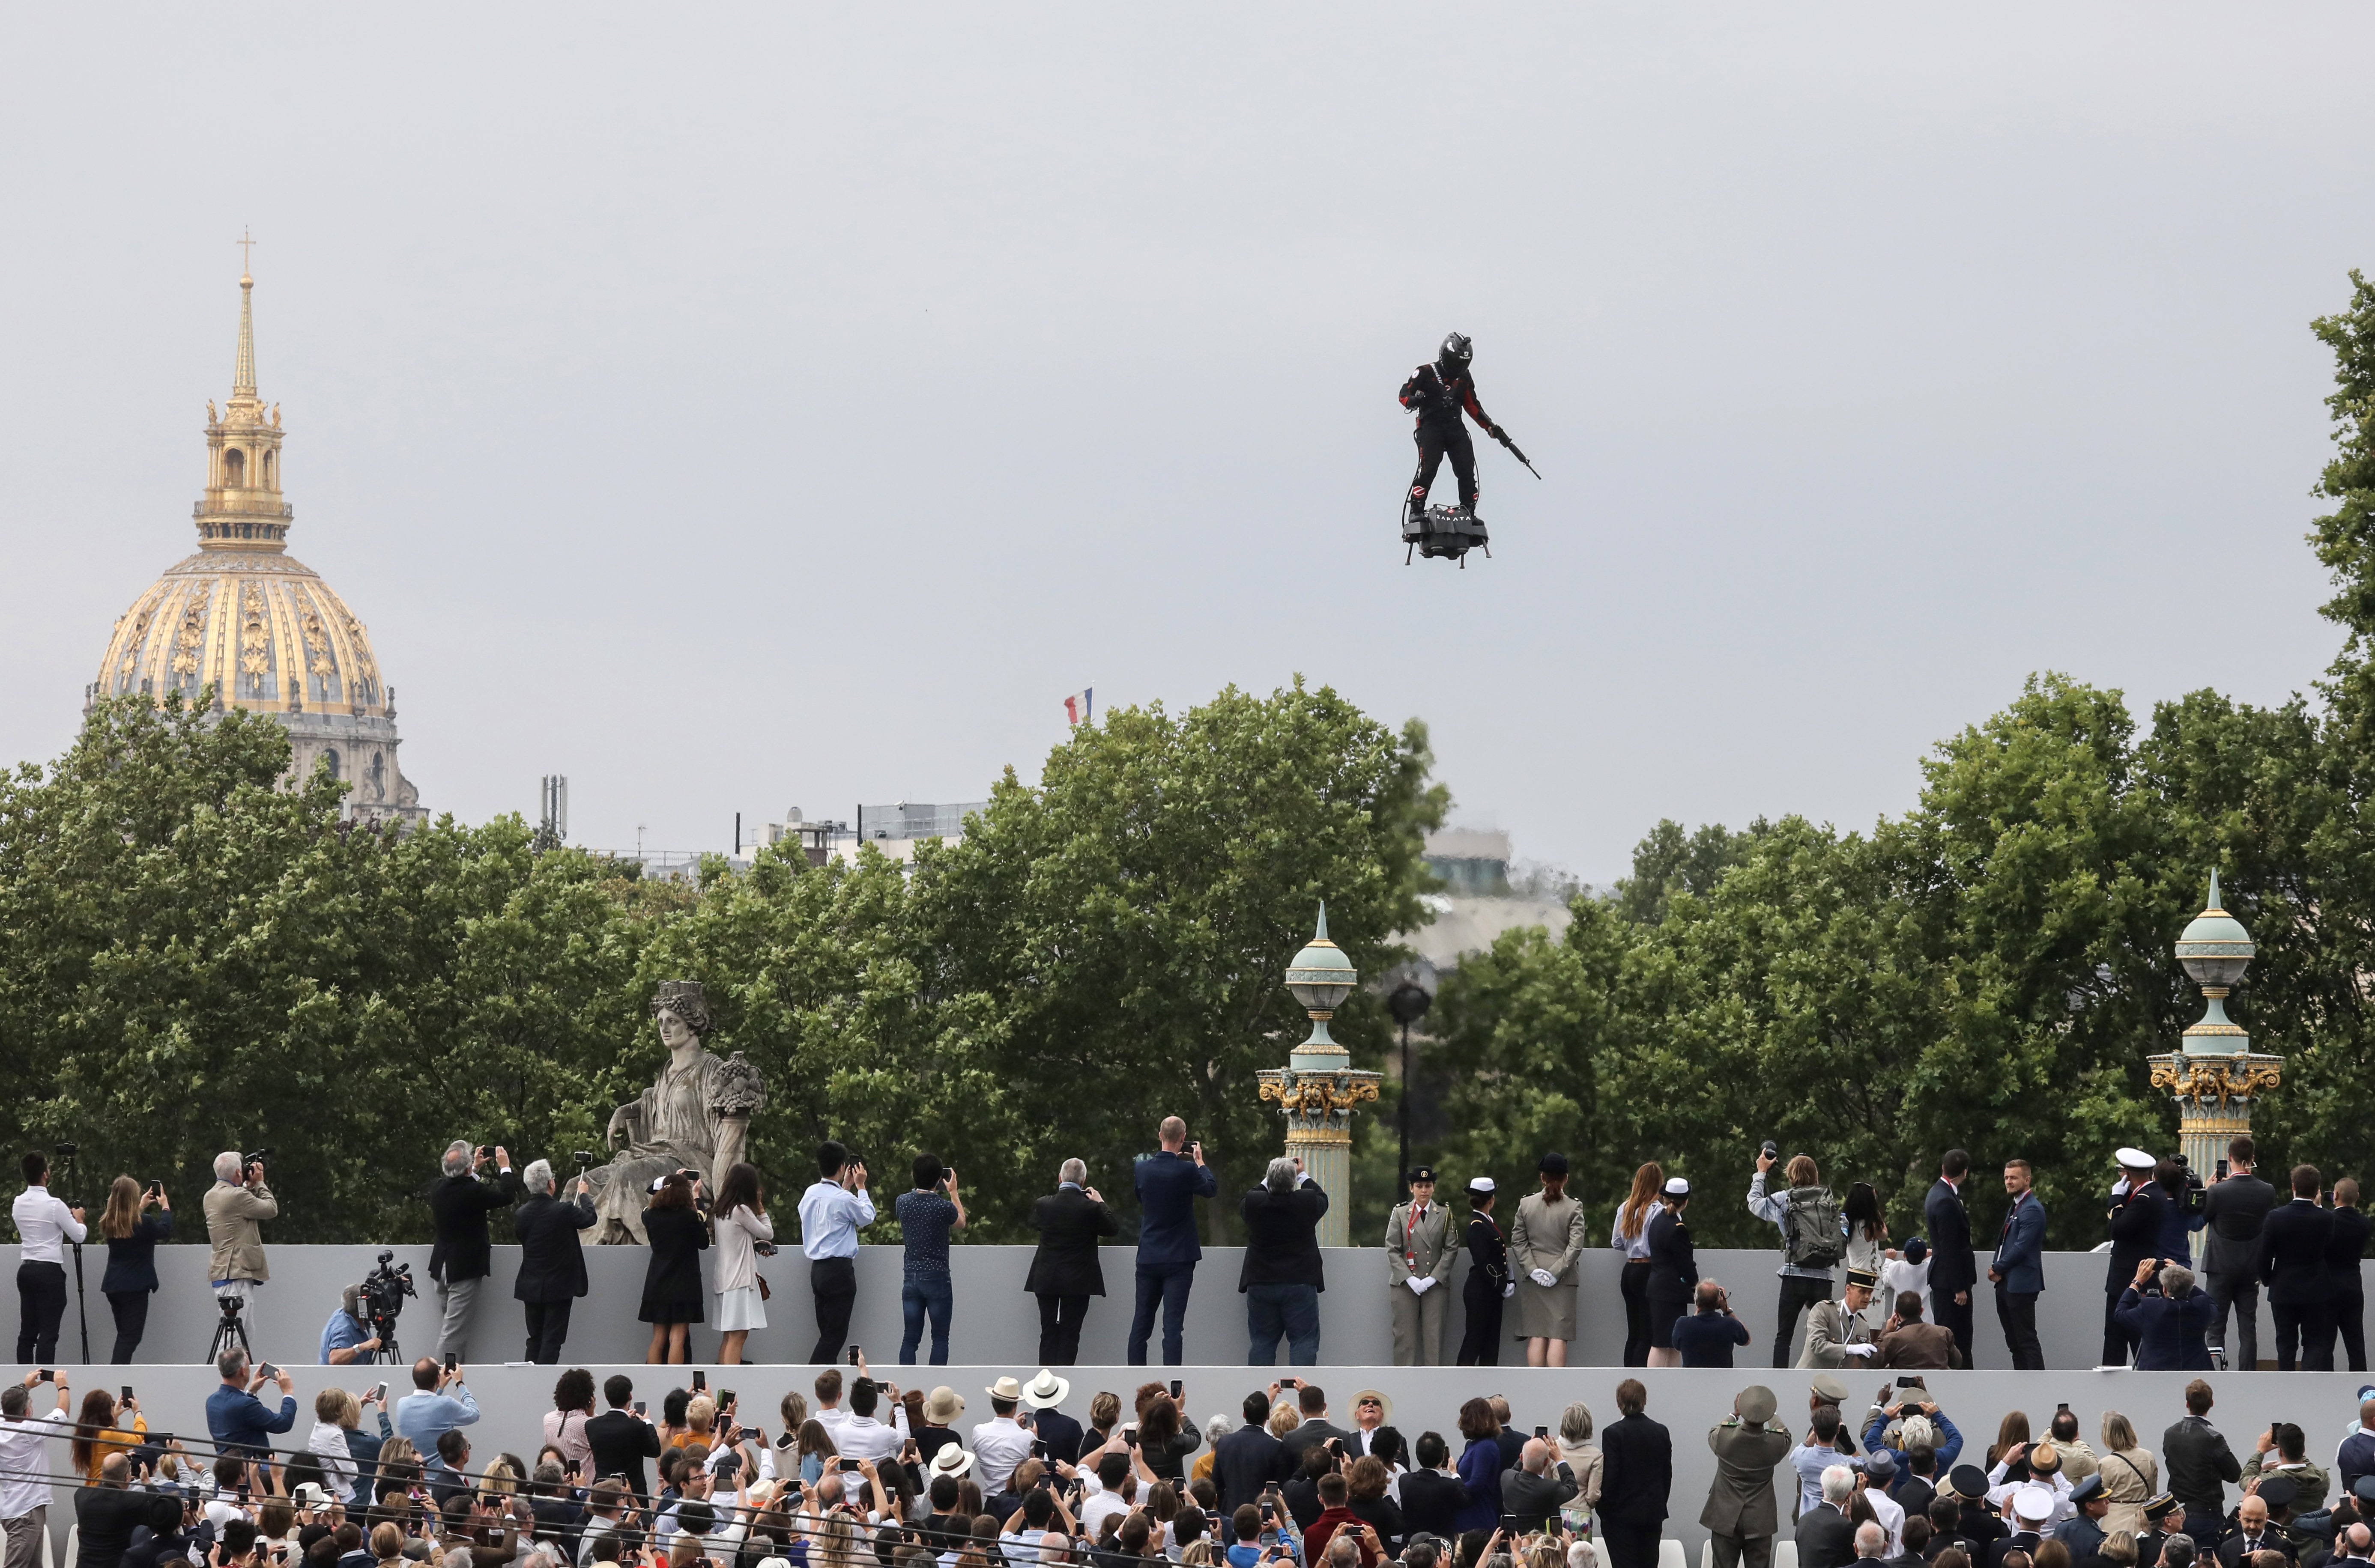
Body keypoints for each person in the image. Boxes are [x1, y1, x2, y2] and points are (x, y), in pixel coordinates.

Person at [1132, 1118, 1218, 1367]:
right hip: (1179, 1257)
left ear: (1160, 1135)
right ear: (1184, 1138)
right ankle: (1173, 1385)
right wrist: (1200, 1162)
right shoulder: (1188, 1170)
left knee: (1141, 1322)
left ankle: (1134, 1376)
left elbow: (1142, 1197)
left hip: (1149, 1254)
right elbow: (1211, 1189)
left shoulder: (1142, 1168)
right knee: (1172, 1327)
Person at [1399, 333, 1508, 528]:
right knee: (1428, 469)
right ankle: (1416, 511)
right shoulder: (1425, 372)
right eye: (1455, 362)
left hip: (1455, 428)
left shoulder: (1464, 377)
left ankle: (1469, 512)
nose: (1458, 368)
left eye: (1462, 364)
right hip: (1431, 427)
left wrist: (1490, 427)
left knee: (1467, 470)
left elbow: (1473, 406)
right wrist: (1412, 400)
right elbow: (1403, 394)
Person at [426, 1140, 520, 1358]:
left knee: (452, 1332)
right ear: (466, 1169)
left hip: (441, 1267)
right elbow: (507, 1196)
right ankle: (438, 1383)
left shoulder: (438, 1188)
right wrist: (505, 1167)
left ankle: (453, 1378)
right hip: (462, 1271)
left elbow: (460, 1185)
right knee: (452, 1336)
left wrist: (474, 1168)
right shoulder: (474, 1192)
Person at [1750, 1150, 1843, 1368]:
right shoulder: (1828, 1198)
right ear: (1815, 1175)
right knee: (1824, 1335)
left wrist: (1761, 1173)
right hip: (1824, 1277)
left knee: (1784, 1336)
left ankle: (1779, 1382)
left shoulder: (1784, 1199)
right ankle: (1824, 1381)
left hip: (1795, 1275)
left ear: (1791, 1176)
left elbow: (1754, 1204)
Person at [1024, 1159, 1117, 1367]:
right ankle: (1064, 1382)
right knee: (1070, 1334)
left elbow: (1033, 1223)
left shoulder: (1043, 1204)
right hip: (1078, 1281)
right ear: (1083, 1181)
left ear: (1060, 1178)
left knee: (1048, 1332)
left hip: (1047, 1277)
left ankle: (1045, 1386)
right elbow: (1112, 1228)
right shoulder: (1090, 1208)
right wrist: (1100, 1202)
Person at [1242, 1158, 1329, 1365]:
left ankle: (1261, 1395)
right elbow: (1322, 1198)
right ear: (1293, 1183)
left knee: (1262, 1342)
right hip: (1299, 1281)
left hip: (1261, 1281)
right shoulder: (1306, 1201)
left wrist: (1271, 1177)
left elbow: (1251, 1195)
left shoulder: (1255, 1203)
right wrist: (1301, 1174)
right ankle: (1302, 1395)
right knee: (1303, 1341)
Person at [2203, 1138, 2279, 1374]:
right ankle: (2247, 1374)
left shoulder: (2217, 1191)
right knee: (2248, 1327)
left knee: (2215, 1326)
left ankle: (2215, 1376)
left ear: (2230, 1158)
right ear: (2252, 1159)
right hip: (2250, 1268)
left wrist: (2208, 1191)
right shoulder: (2267, 1191)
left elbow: (2203, 1218)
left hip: (2220, 1266)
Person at [513, 1160, 597, 1365]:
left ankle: (529, 1379)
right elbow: (590, 1218)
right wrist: (585, 1194)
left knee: (534, 1338)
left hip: (531, 1284)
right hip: (559, 1285)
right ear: (551, 1184)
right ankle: (543, 1383)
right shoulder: (563, 1211)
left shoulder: (521, 1214)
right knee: (552, 1339)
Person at [800, 1141, 876, 1367]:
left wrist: (845, 1187)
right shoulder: (844, 1199)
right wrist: (861, 1187)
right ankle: (813, 1376)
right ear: (843, 1166)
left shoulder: (810, 1193)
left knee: (827, 1332)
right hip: (839, 1271)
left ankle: (826, 1382)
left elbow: (831, 1213)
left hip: (818, 1270)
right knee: (835, 1336)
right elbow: (867, 1216)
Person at [1702, 1384, 1793, 1568]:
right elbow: (1787, 1435)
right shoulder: (1775, 1443)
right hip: (1760, 1521)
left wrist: (1735, 1413)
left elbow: (1714, 1431)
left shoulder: (1724, 1438)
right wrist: (1771, 1413)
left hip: (1724, 1518)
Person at [1512, 1154, 1586, 1368]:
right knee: (1557, 1336)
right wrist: (1555, 1272)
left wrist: (1533, 1270)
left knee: (1537, 1334)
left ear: (1542, 1178)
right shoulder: (1574, 1207)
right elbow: (1575, 1246)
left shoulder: (1526, 1204)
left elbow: (1518, 1241)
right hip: (1563, 1280)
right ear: (1566, 1179)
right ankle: (1557, 1388)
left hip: (1533, 1279)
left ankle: (1535, 1387)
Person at [2104, 1150, 2176, 1368]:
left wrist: (2116, 1200)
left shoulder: (2146, 1199)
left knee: (2125, 1336)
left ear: (2126, 1174)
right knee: (2120, 1335)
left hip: (2131, 1276)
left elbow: (2117, 1229)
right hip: (2129, 1274)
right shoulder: (2148, 1194)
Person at [13, 1151, 86, 1364]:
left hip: (26, 1269)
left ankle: (24, 1381)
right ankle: (45, 1378)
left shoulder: (18, 1203)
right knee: (48, 1333)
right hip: (49, 1271)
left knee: (27, 1333)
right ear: (45, 1174)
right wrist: (79, 1219)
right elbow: (78, 1236)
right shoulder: (55, 1205)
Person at [2263, 1165, 2336, 1371]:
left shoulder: (2275, 1217)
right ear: (2317, 1190)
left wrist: (2268, 1278)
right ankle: (2309, 1382)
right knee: (2314, 1342)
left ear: (2293, 1187)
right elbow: (2329, 1246)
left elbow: (2265, 1254)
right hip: (2316, 1287)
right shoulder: (2327, 1218)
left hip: (2283, 1287)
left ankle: (2287, 1386)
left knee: (2285, 1343)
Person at [93, 1175, 169, 1366]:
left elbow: (128, 1222)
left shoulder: (109, 1222)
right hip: (135, 1288)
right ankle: (117, 1374)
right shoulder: (145, 1222)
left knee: (124, 1335)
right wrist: (165, 1206)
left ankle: (120, 1371)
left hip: (114, 1286)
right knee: (130, 1338)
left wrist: (140, 1207)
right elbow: (165, 1230)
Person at [205, 1149, 277, 1343]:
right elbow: (271, 1209)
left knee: (245, 1333)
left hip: (225, 1272)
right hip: (235, 1273)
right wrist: (260, 1183)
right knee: (234, 1339)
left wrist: (247, 1186)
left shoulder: (211, 1195)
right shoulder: (237, 1196)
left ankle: (238, 1372)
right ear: (238, 1172)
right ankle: (222, 1373)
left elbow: (239, 1205)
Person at [638, 1171, 708, 1363]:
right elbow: (704, 1242)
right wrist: (696, 1199)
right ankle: (674, 1385)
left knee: (658, 1339)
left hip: (657, 1282)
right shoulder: (688, 1217)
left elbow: (652, 1194)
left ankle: (653, 1380)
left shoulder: (650, 1216)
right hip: (684, 1284)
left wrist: (670, 1180)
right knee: (677, 1338)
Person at [1387, 1166, 1454, 1367]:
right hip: (1406, 1284)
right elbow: (1392, 1248)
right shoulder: (1400, 1213)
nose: (1424, 1190)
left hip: (1435, 1284)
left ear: (1434, 1188)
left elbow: (1451, 1248)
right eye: (1419, 1186)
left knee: (1434, 1339)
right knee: (1404, 1338)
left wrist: (1434, 1277)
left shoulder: (1444, 1213)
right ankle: (1403, 1384)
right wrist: (1410, 1278)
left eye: (1428, 1186)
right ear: (1411, 1189)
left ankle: (1433, 1386)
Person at [1599, 1380, 1671, 1568]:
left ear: (1619, 1403)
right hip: (1653, 1515)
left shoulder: (1613, 1433)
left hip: (1621, 1517)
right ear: (1644, 1401)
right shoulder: (1661, 1432)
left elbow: (1611, 1477)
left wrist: (1604, 1511)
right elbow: (1667, 1476)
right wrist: (1659, 1504)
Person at [711, 1161, 774, 1367]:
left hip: (725, 1279)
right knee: (739, 1336)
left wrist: (754, 1245)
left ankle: (722, 1384)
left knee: (728, 1336)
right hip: (739, 1281)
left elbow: (736, 1240)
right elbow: (768, 1233)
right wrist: (761, 1208)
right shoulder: (742, 1210)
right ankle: (731, 1383)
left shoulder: (723, 1211)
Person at [2164, 1380, 2240, 1543]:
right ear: (2212, 1404)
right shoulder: (2213, 1438)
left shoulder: (2170, 1434)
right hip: (2207, 1513)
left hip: (2177, 1511)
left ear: (2187, 1404)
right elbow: (2235, 1474)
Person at [1991, 1160, 2048, 1371]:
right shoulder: (2016, 1206)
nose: (2009, 1182)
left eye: (2014, 1178)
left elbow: (2021, 1247)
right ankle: (2021, 1386)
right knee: (2014, 1343)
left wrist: (1997, 1268)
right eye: (2006, 1178)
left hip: (2021, 1285)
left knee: (2026, 1340)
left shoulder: (2032, 1209)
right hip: (2007, 1284)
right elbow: (2005, 1243)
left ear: (2027, 1179)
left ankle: (2037, 1388)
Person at [1925, 1152, 1979, 1370]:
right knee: (1959, 1341)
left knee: (1953, 1339)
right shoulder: (1946, 1200)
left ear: (1943, 1167)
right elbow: (1950, 1247)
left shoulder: (1937, 1193)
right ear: (1965, 1172)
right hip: (1950, 1284)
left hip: (1943, 1279)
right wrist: (1959, 1288)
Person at [2115, 1261, 2217, 1371]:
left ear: (2164, 1289)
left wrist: (2137, 1282)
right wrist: (2184, 1280)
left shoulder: (2150, 1308)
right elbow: (2213, 1304)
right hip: (2196, 1374)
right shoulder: (2201, 1307)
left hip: (2156, 1374)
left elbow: (2120, 1313)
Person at [1612, 1164, 1667, 1368]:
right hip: (1647, 1269)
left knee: (1633, 1332)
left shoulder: (1625, 1208)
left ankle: (1627, 1379)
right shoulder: (1657, 1211)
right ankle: (1640, 1379)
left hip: (1629, 1269)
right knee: (1648, 1332)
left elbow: (1616, 1242)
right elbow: (1660, 1243)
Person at [1646, 1178, 1700, 1369]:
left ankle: (1660, 1385)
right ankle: (1658, 1384)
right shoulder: (1677, 1229)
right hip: (1672, 1292)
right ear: (1685, 1202)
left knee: (1667, 1343)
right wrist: (1696, 1284)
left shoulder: (1657, 1221)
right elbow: (1685, 1263)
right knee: (1665, 1344)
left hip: (1658, 1288)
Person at [1457, 1178, 1512, 1366]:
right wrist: (1502, 1285)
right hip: (1481, 1292)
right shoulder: (1478, 1225)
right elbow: (1484, 1262)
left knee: (1491, 1345)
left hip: (1491, 1293)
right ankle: (1462, 1386)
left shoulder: (1486, 1223)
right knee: (1475, 1341)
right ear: (1491, 1200)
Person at [585, 1377, 661, 1503]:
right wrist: (648, 1422)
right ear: (630, 1396)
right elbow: (654, 1451)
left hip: (603, 1491)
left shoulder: (591, 1425)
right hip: (633, 1494)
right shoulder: (638, 1427)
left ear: (606, 1396)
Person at [395, 1356, 479, 1472]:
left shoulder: (401, 1404)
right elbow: (474, 1414)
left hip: (415, 1481)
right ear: (438, 1379)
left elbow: (429, 1407)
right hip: (441, 1481)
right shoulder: (445, 1404)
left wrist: (440, 1387)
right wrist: (460, 1382)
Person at [207, 1350, 296, 1458]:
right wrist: (288, 1392)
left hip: (226, 1469)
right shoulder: (245, 1405)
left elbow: (239, 1420)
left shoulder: (212, 1401)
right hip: (250, 1472)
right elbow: (283, 1423)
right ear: (242, 1371)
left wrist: (252, 1392)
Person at [1214, 1393, 1289, 1516]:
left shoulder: (1225, 1443)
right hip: (1261, 1516)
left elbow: (1216, 1485)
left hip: (1230, 1514)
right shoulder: (1275, 1447)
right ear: (1268, 1416)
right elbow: (1280, 1488)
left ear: (1244, 1415)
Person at [2324, 1179, 2372, 1374]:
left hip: (2327, 1287)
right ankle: (2362, 1387)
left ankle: (2326, 1384)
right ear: (2358, 1198)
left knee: (2325, 1344)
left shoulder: (2326, 1221)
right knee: (2356, 1344)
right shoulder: (2365, 1224)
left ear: (2335, 1196)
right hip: (2353, 1287)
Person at [1801, 1270, 1880, 1369]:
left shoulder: (1863, 1326)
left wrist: (1888, 1332)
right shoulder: (1824, 1310)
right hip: (1809, 1379)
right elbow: (1817, 1345)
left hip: (1837, 1382)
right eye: (1862, 1291)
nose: (1867, 1297)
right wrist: (1850, 1349)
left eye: (1870, 1292)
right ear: (1848, 1289)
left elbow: (1870, 1359)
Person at [1501, 1440, 1579, 1534]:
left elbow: (1515, 1470)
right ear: (1547, 1462)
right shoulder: (1551, 1488)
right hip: (1540, 1544)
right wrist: (1559, 1459)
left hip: (1514, 1542)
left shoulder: (1507, 1478)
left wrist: (1528, 1453)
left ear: (1521, 1457)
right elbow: (1573, 1488)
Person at [1674, 1280, 1753, 1369]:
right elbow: (1747, 1340)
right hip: (1723, 1380)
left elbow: (1678, 1347)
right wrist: (1726, 1310)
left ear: (1696, 1301)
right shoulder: (1730, 1325)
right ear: (1718, 1302)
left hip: (1692, 1381)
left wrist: (1699, 1307)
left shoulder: (1683, 1324)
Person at [1846, 1186, 1893, 1327]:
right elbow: (1884, 1235)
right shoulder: (1870, 1226)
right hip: (1871, 1276)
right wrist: (1876, 1213)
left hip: (1854, 1274)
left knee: (1854, 1320)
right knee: (1873, 1323)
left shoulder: (1848, 1224)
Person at [1798, 1468, 1860, 1568]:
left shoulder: (1804, 1520)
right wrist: (1848, 1520)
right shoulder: (1846, 1526)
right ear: (1849, 1495)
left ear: (1823, 1490)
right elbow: (1856, 1560)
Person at [318, 1283, 386, 1365]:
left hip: (355, 1377)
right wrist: (362, 1347)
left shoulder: (347, 1314)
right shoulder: (344, 1328)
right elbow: (335, 1359)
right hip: (339, 1378)